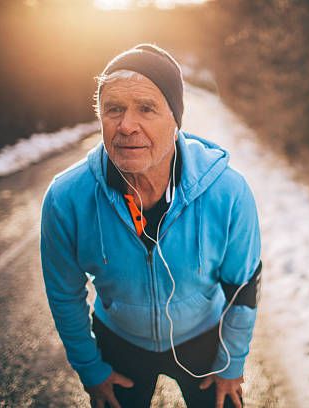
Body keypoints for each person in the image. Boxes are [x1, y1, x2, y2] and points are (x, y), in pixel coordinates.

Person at [40, 44, 262, 408]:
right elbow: (64, 293)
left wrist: (232, 362)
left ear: (175, 120)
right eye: (114, 109)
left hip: (204, 338)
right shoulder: (66, 198)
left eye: (146, 108)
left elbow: (243, 289)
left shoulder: (228, 192)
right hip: (120, 341)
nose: (126, 125)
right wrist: (90, 369)